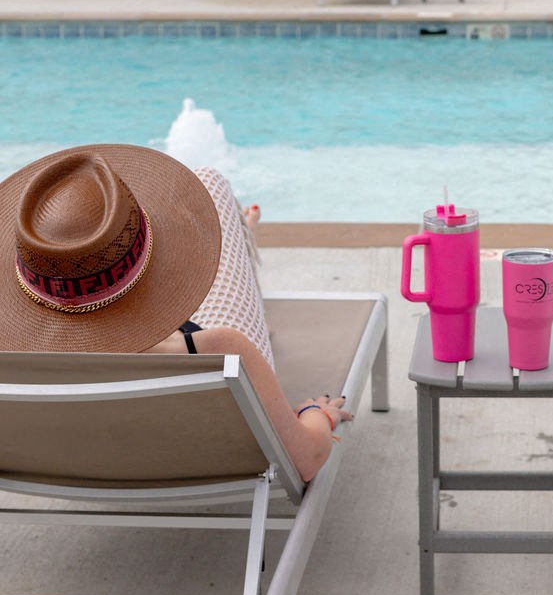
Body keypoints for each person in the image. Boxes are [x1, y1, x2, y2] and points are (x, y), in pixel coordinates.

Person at [0, 144, 350, 481]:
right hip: (192, 403)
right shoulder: (221, 351)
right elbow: (306, 460)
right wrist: (316, 414)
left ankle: (240, 241)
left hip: (68, 466)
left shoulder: (13, 364)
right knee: (210, 181)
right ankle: (241, 244)